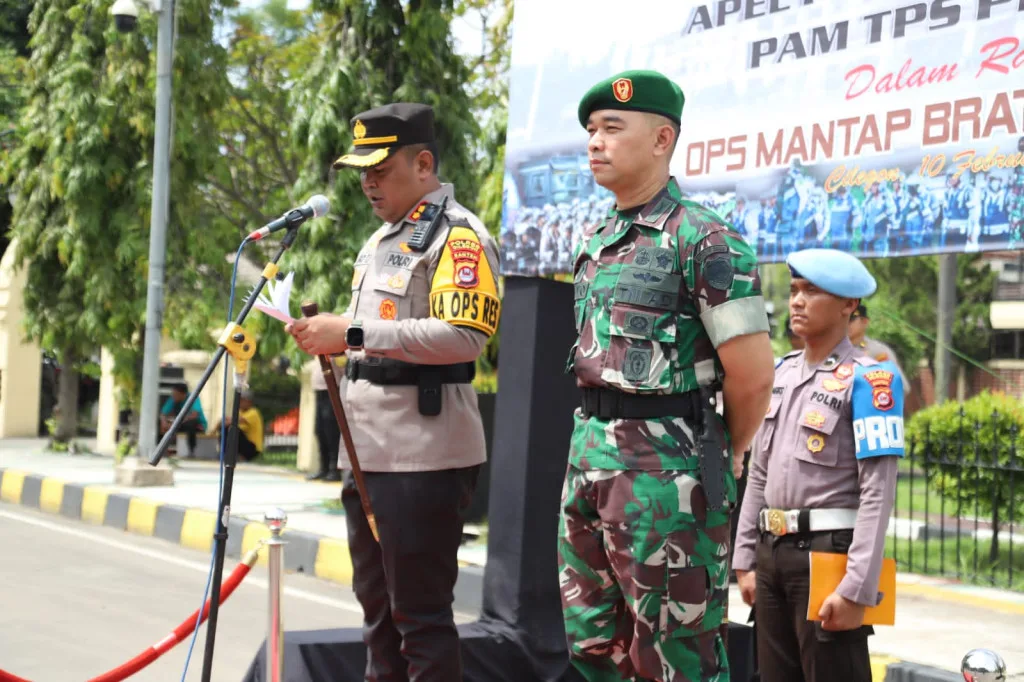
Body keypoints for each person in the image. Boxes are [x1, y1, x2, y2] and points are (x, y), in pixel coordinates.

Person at [560, 70, 776, 681]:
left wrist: (723, 452)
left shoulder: (706, 241)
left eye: (611, 128)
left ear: (662, 139)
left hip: (669, 479)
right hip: (589, 460)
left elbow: (754, 377)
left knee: (677, 656)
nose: (595, 143)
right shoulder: (598, 241)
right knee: (593, 644)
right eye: (591, 131)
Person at [286, 102, 501, 682]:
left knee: (421, 621)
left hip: (423, 459)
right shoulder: (382, 240)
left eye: (380, 169)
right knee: (377, 618)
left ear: (424, 163)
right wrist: (327, 339)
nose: (367, 181)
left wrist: (350, 332)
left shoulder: (457, 238)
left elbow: (463, 336)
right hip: (367, 453)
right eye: (362, 170)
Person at [732, 248, 905, 682]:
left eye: (812, 291)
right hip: (773, 555)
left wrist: (857, 587)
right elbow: (758, 474)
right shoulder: (781, 374)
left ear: (849, 305)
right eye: (794, 290)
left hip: (828, 557)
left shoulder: (871, 380)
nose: (797, 301)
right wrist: (746, 558)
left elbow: (878, 491)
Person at [847, 304, 910, 395]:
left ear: (865, 322)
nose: (846, 325)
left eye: (851, 320)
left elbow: (901, 387)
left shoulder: (877, 351)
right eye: (844, 320)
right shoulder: (831, 349)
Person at [308, 357, 342, 481]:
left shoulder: (335, 349)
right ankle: (323, 468)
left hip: (332, 390)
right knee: (319, 430)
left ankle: (334, 470)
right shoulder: (318, 349)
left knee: (331, 432)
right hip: (319, 391)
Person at [207, 390, 263, 462]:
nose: (239, 403)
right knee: (227, 429)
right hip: (245, 446)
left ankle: (227, 455)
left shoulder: (253, 413)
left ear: (248, 402)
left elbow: (233, 421)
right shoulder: (240, 412)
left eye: (242, 401)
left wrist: (221, 423)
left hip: (253, 448)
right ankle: (225, 454)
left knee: (231, 429)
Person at [159, 382, 206, 458]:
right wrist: (164, 422)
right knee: (161, 424)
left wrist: (175, 423)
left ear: (182, 394)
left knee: (190, 424)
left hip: (197, 426)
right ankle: (163, 450)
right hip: (180, 424)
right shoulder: (173, 399)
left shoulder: (193, 398)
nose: (173, 396)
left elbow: (194, 415)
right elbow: (163, 413)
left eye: (175, 394)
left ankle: (191, 451)